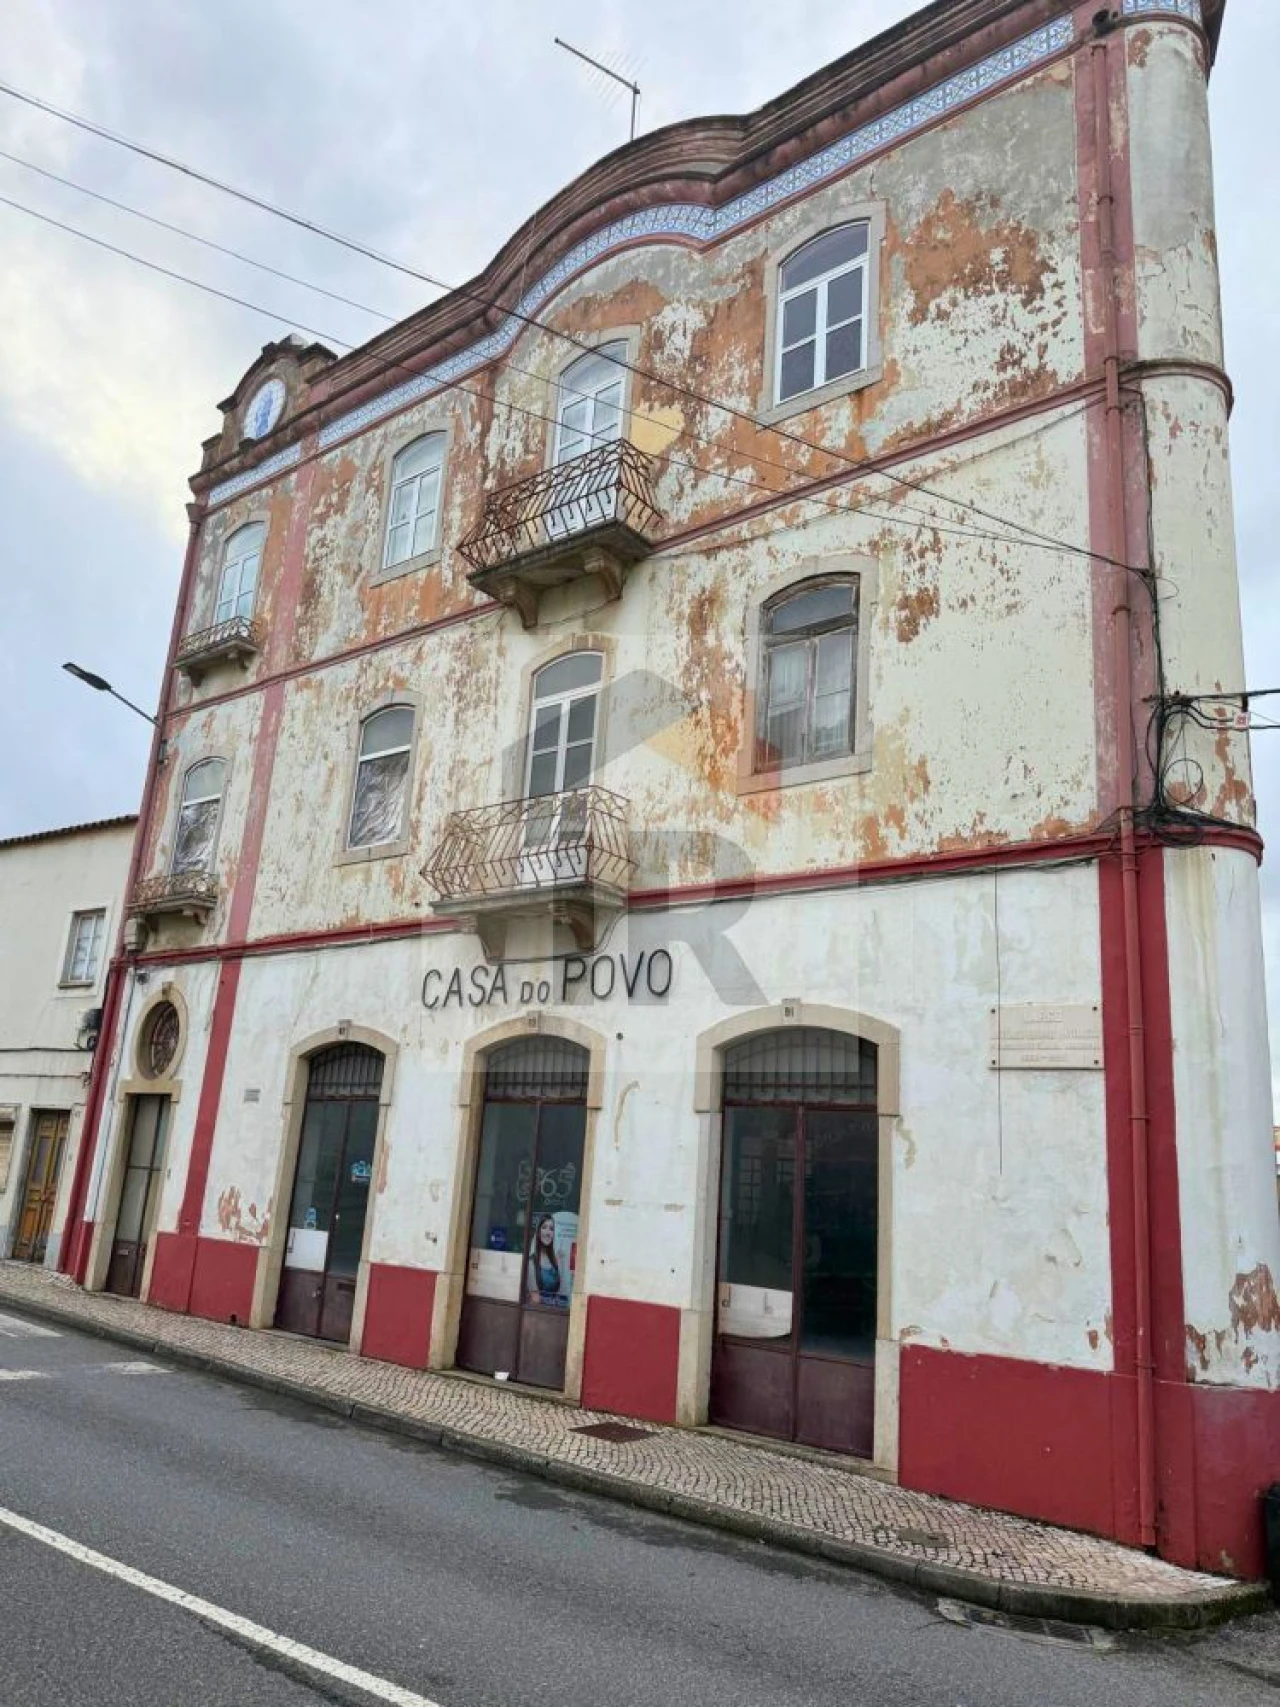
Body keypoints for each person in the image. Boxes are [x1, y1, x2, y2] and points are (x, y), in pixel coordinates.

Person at [526, 1213, 561, 1303]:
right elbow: (535, 1298)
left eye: (551, 1229)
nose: (548, 1232)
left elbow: (559, 1293)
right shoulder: (531, 1261)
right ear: (538, 1232)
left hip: (554, 1312)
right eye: (544, 1227)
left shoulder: (554, 1261)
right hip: (538, 1312)